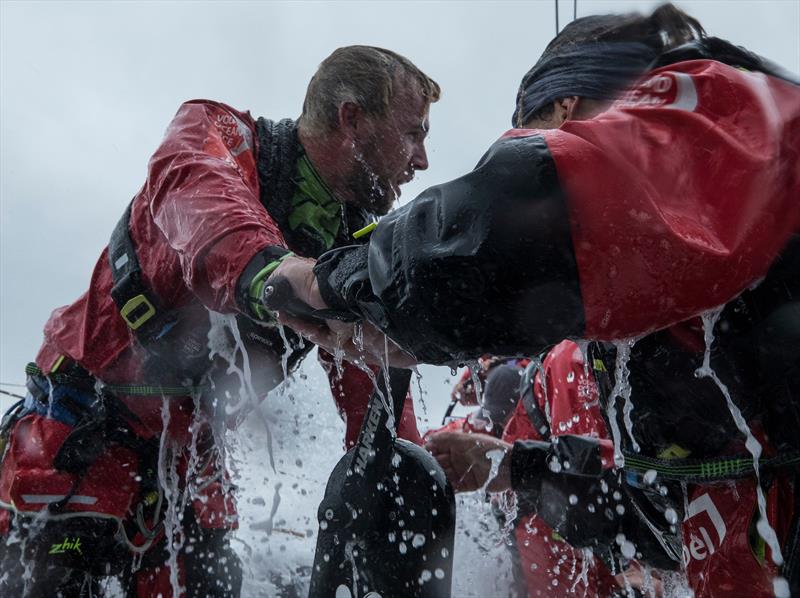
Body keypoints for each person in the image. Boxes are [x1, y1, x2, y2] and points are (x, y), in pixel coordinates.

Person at [269, 5, 800, 596]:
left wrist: (334, 280)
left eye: (532, 136)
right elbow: (659, 521)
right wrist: (511, 467)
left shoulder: (731, 113)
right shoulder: (684, 297)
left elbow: (520, 215)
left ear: (567, 111)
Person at [0, 45, 438, 597]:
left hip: (192, 471)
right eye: (413, 133)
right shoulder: (216, 136)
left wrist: (415, 467)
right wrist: (283, 276)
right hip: (80, 431)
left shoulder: (352, 247)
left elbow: (373, 389)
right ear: (351, 119)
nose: (422, 160)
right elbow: (201, 193)